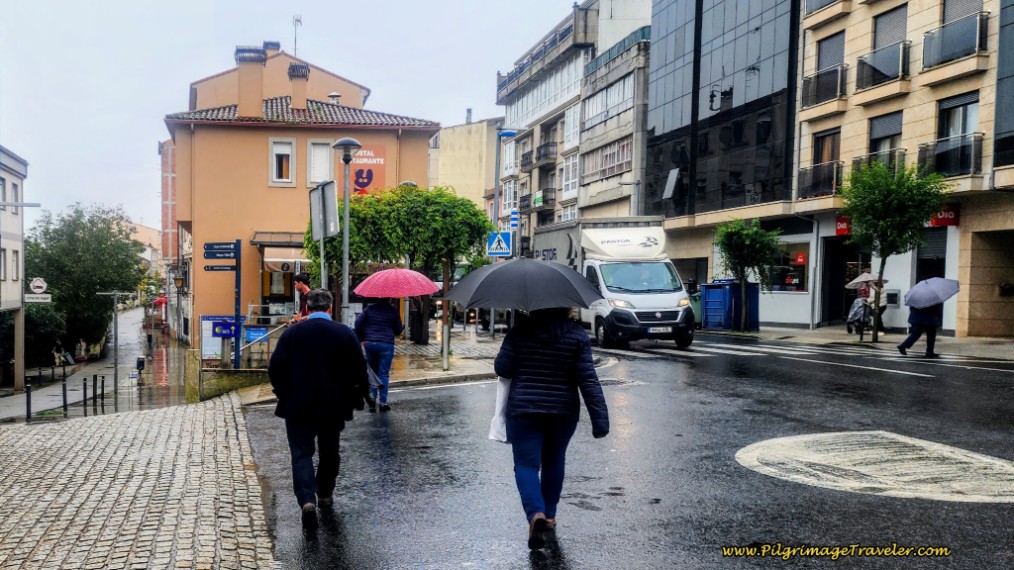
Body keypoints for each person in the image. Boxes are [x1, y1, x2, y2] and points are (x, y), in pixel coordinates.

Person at [493, 307, 609, 550]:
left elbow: (502, 369)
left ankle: (536, 514)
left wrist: (515, 334)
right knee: (554, 460)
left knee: (526, 465)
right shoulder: (577, 335)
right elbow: (587, 378)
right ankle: (550, 515)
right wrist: (600, 420)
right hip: (562, 412)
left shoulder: (519, 331)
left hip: (524, 410)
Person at [268, 288, 368, 529]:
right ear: (330, 308)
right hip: (332, 405)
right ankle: (324, 493)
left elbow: (276, 367)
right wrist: (355, 396)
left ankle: (306, 501)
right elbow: (358, 368)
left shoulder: (293, 333)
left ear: (308, 308)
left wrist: (284, 394)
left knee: (301, 454)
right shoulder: (344, 333)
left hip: (297, 405)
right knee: (329, 451)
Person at [354, 298, 405, 412]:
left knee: (372, 373)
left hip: (370, 343)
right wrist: (401, 328)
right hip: (386, 345)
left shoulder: (369, 309)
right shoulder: (393, 311)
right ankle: (383, 403)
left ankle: (372, 399)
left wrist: (361, 337)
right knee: (383, 374)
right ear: (389, 299)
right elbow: (397, 330)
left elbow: (358, 323)